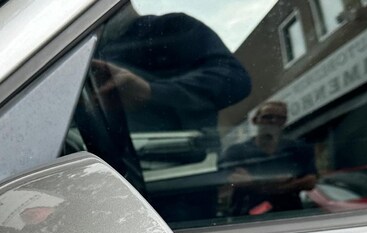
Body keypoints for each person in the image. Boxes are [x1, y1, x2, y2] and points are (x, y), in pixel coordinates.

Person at [91, 3, 252, 141]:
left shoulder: (172, 27)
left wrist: (150, 92)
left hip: (183, 160)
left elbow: (235, 79)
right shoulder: (89, 54)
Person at [218, 101, 317, 216]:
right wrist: (283, 183)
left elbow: (310, 182)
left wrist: (254, 181)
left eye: (280, 118)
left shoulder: (297, 149)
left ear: (285, 121)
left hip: (289, 216)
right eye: (267, 117)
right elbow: (234, 181)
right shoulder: (237, 152)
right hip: (247, 218)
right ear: (255, 120)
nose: (273, 121)